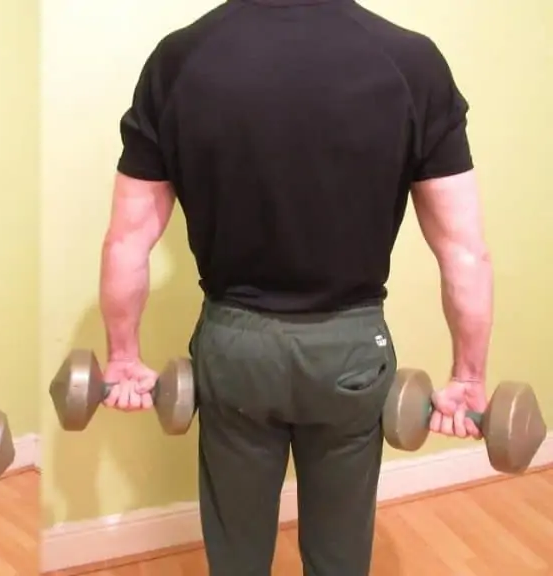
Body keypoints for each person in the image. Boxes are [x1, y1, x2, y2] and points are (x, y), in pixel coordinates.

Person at [97, 1, 492, 574]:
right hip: (351, 355)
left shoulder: (179, 58)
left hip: (236, 351)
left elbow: (126, 242)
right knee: (340, 551)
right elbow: (465, 251)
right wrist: (468, 378)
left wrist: (124, 357)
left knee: (236, 550)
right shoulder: (412, 60)